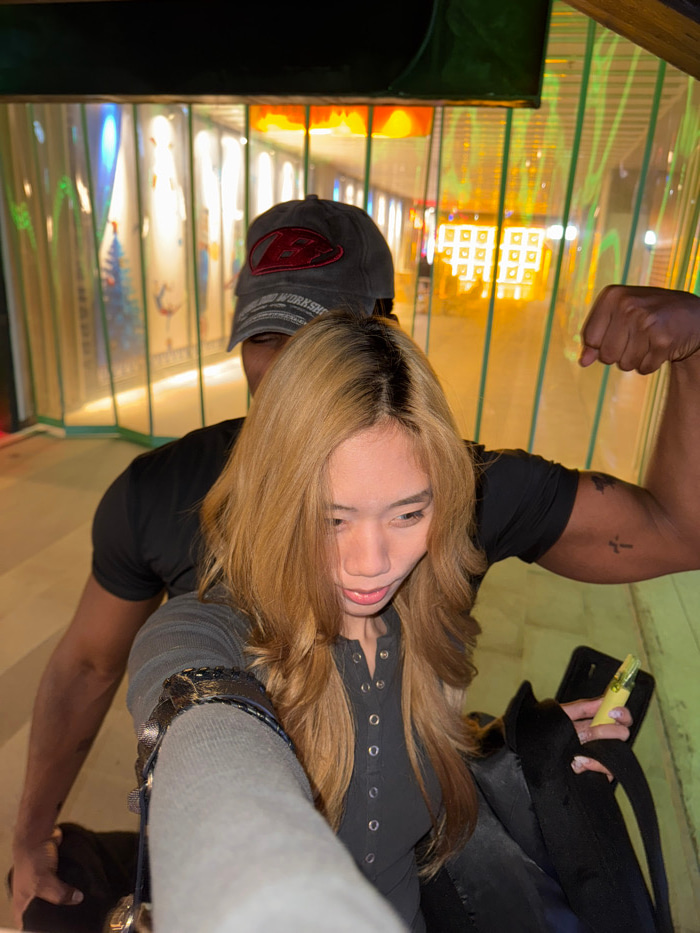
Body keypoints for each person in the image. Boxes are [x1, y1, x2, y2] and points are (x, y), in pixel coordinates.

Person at [11, 187, 700, 924]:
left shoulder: (463, 486)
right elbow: (122, 674)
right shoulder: (160, 497)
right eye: (267, 337)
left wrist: (501, 757)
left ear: (382, 336)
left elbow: (675, 531)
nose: (369, 560)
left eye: (409, 513)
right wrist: (29, 837)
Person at [126, 311, 640, 932]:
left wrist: (525, 760)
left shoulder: (424, 621)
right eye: (331, 519)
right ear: (273, 501)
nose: (371, 565)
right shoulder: (212, 631)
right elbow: (199, 724)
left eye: (407, 515)